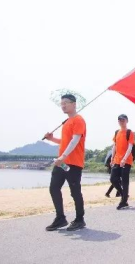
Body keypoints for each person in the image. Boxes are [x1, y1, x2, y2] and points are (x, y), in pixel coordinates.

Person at [43, 94, 87, 231]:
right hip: (62, 162)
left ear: (74, 104)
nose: (63, 105)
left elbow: (75, 140)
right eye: (61, 103)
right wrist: (52, 139)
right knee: (54, 188)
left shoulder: (78, 120)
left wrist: (63, 155)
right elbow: (65, 142)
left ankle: (80, 219)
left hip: (72, 163)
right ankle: (60, 218)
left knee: (75, 191)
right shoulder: (66, 122)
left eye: (66, 103)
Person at [110, 114, 135, 210]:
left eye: (123, 120)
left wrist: (124, 159)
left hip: (126, 160)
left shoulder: (129, 132)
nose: (121, 122)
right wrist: (112, 157)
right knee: (113, 179)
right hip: (117, 159)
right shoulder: (117, 132)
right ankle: (124, 195)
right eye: (119, 120)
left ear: (127, 121)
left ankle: (124, 201)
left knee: (125, 181)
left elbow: (130, 147)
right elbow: (114, 146)